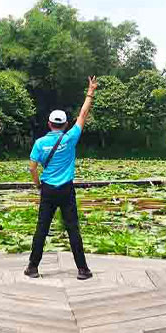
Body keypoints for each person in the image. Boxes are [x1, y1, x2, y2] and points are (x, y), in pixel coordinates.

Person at [25, 76, 99, 281]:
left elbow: (32, 168)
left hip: (48, 189)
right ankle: (82, 270)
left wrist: (38, 185)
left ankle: (32, 267)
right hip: (66, 189)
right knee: (73, 229)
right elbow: (83, 114)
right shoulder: (70, 138)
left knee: (42, 228)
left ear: (49, 124)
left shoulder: (39, 143)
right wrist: (90, 91)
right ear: (66, 124)